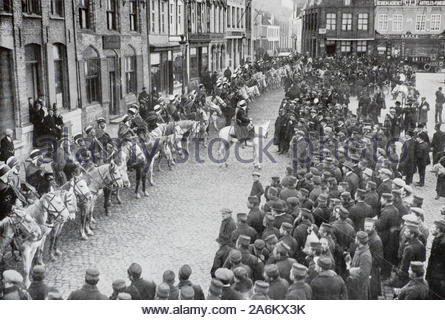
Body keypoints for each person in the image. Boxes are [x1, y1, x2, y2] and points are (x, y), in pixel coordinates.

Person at [345, 231, 372, 300]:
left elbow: (364, 273)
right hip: (355, 284)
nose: (354, 239)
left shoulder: (365, 255)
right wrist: (350, 261)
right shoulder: (359, 249)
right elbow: (356, 264)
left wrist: (351, 270)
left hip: (360, 287)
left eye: (356, 238)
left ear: (359, 241)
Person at [426, 220, 445, 299]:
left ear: (438, 230)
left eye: (433, 227)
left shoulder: (442, 243)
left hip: (437, 275)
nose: (431, 229)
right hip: (434, 273)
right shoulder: (438, 239)